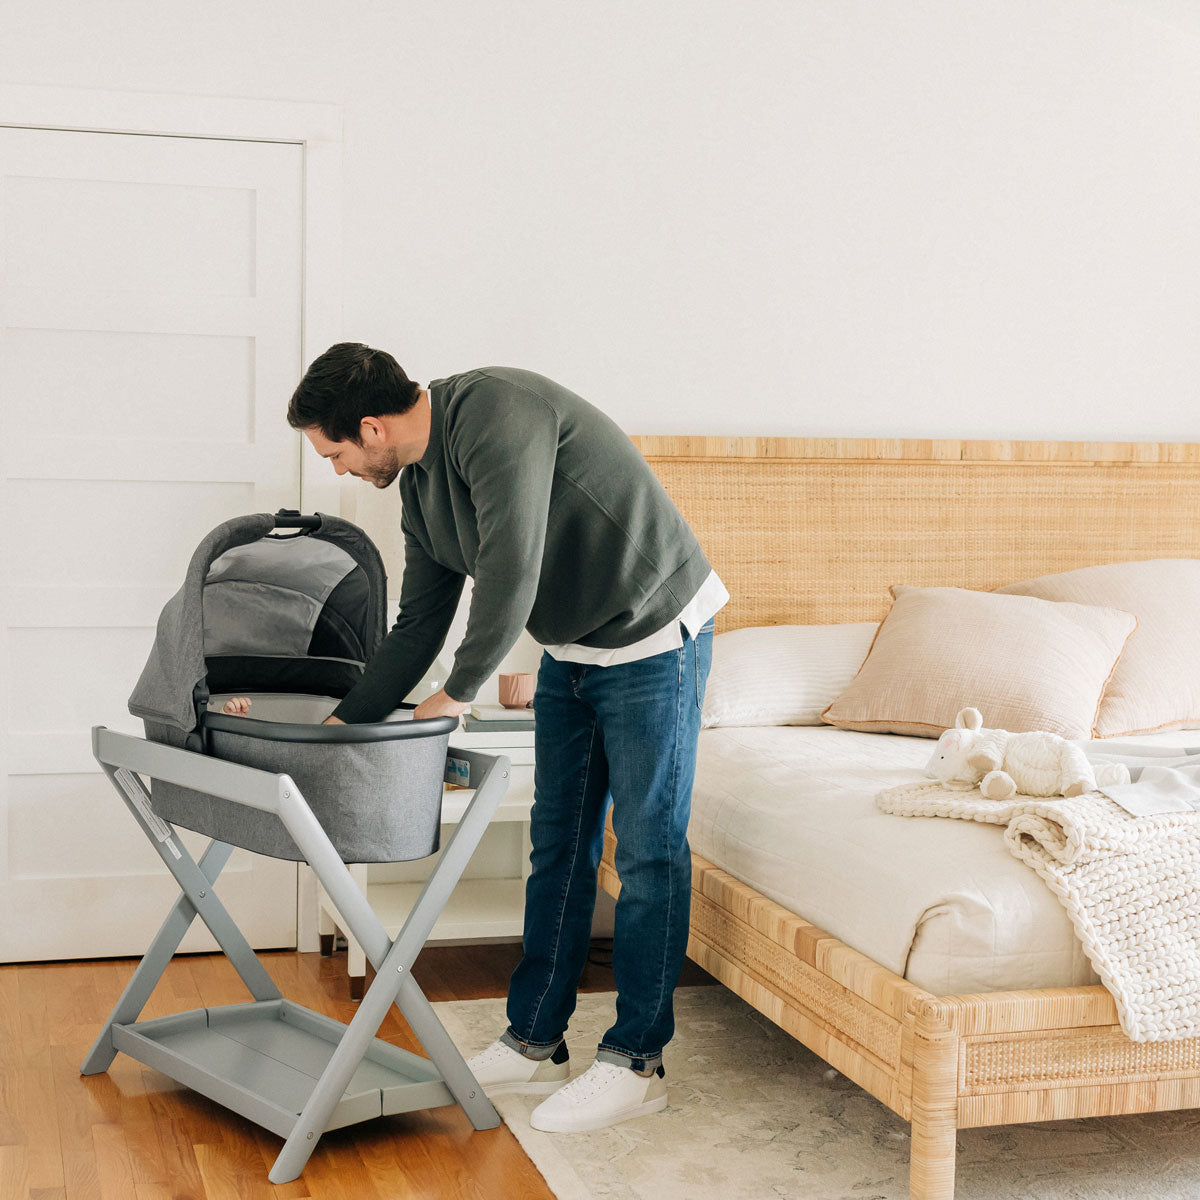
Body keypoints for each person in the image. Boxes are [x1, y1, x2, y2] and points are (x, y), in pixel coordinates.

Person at [280, 343, 727, 1133]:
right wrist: (346, 722)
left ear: (373, 428)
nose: (339, 470)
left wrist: (458, 692)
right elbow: (421, 619)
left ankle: (636, 1062)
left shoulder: (494, 412)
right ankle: (533, 1041)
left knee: (651, 848)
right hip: (574, 650)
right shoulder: (418, 487)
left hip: (655, 636)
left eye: (335, 451)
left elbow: (512, 564)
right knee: (558, 843)